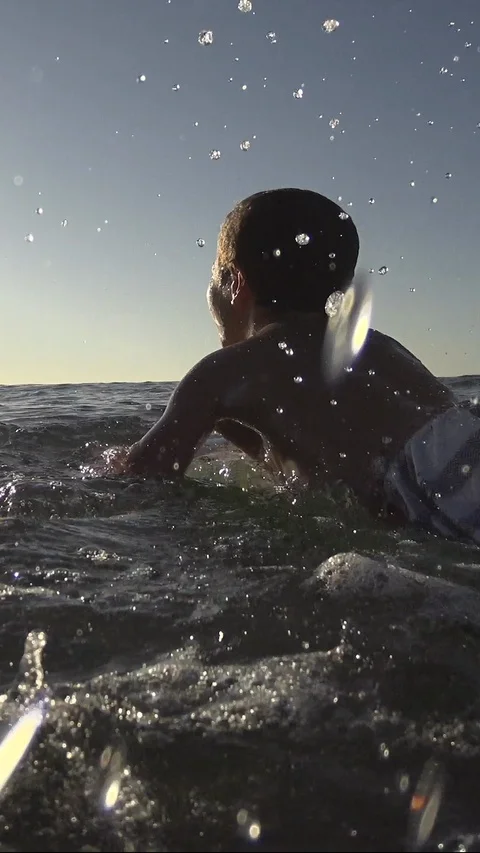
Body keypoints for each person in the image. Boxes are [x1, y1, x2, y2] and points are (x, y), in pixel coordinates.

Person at [112, 188, 480, 542]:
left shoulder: (220, 373)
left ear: (235, 283)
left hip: (425, 495)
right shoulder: (380, 348)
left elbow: (143, 478)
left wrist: (107, 465)